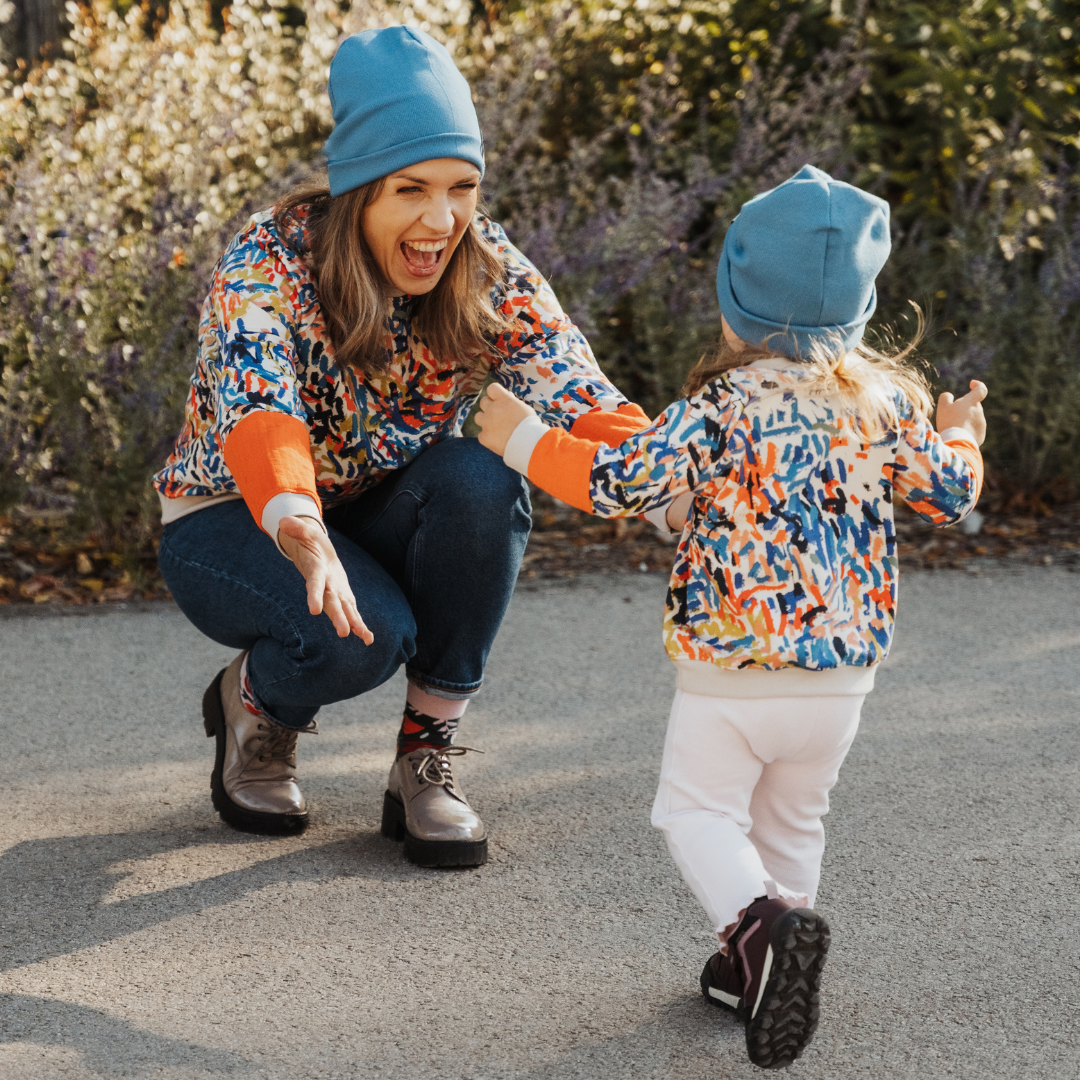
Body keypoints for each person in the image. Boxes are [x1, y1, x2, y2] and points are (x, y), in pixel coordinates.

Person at [475, 164, 986, 1067]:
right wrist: (962, 437)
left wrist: (521, 436)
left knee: (695, 811)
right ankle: (758, 966)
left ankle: (760, 928)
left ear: (735, 305)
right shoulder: (888, 409)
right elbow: (950, 494)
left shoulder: (718, 407)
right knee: (792, 821)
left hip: (732, 670)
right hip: (840, 681)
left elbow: (618, 482)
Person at [152, 26, 649, 866]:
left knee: (483, 479)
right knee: (360, 637)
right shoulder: (269, 261)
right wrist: (297, 520)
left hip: (371, 507)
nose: (442, 219)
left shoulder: (485, 267)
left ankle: (425, 754)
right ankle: (256, 705)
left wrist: (673, 478)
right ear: (358, 192)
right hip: (237, 516)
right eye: (411, 188)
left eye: (463, 187)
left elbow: (578, 391)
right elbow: (258, 403)